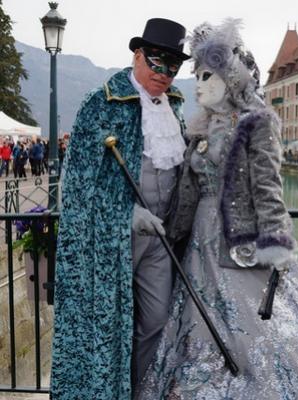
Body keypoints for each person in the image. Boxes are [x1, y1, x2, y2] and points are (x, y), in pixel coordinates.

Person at [137, 20, 298, 399]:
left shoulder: (256, 125)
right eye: (197, 76)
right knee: (196, 326)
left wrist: (275, 241)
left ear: (230, 79)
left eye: (207, 75)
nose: (198, 84)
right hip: (198, 246)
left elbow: (268, 188)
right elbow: (186, 188)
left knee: (256, 332)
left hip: (240, 242)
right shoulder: (198, 129)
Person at [50, 18, 190, 400]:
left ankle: (138, 388)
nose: (165, 73)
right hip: (112, 242)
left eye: (174, 66)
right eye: (158, 62)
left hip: (160, 238)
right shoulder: (101, 103)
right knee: (110, 322)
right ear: (138, 55)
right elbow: (77, 185)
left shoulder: (176, 107)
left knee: (158, 318)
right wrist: (125, 215)